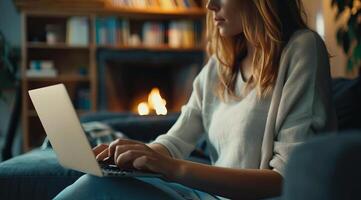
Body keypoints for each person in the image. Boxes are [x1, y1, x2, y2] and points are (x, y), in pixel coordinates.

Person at [55, 0, 337, 199]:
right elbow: (175, 141)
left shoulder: (302, 50)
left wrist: (173, 168)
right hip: (204, 195)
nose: (210, 5)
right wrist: (136, 157)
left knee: (97, 192)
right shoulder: (219, 66)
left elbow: (288, 178)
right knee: (96, 183)